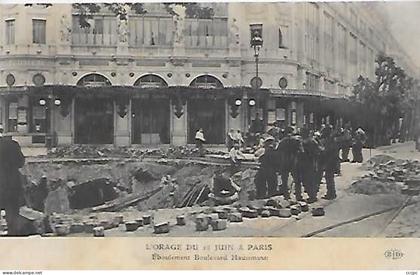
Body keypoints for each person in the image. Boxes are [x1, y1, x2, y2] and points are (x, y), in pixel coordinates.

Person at [0, 130, 26, 236]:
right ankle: (12, 236)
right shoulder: (13, 145)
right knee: (13, 214)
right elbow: (21, 162)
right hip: (12, 184)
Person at [276, 126, 303, 200]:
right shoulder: (297, 140)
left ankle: (286, 195)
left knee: (284, 179)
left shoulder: (282, 141)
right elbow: (301, 151)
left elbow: (278, 151)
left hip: (284, 161)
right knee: (297, 180)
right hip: (294, 161)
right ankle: (298, 195)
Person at [298, 127, 323, 203]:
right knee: (306, 180)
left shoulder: (311, 141)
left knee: (309, 180)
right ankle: (312, 195)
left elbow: (318, 151)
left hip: (310, 162)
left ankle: (312, 196)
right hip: (304, 162)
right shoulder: (302, 141)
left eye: (302, 132)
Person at [319, 125, 339, 200]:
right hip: (332, 160)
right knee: (329, 177)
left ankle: (331, 193)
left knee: (329, 177)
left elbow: (328, 150)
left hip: (330, 161)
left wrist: (322, 150)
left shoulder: (330, 140)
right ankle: (331, 193)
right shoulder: (331, 139)